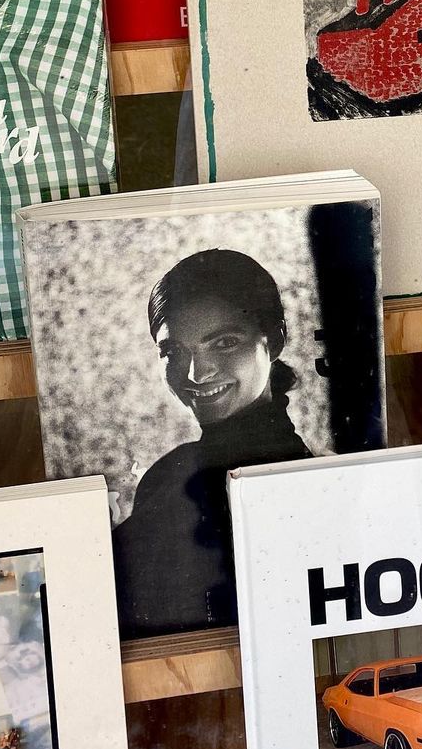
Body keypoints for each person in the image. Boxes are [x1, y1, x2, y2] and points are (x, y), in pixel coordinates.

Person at [111, 248, 312, 636]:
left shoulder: (298, 479)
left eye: (224, 343)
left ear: (274, 340)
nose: (195, 373)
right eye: (173, 352)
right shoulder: (172, 473)